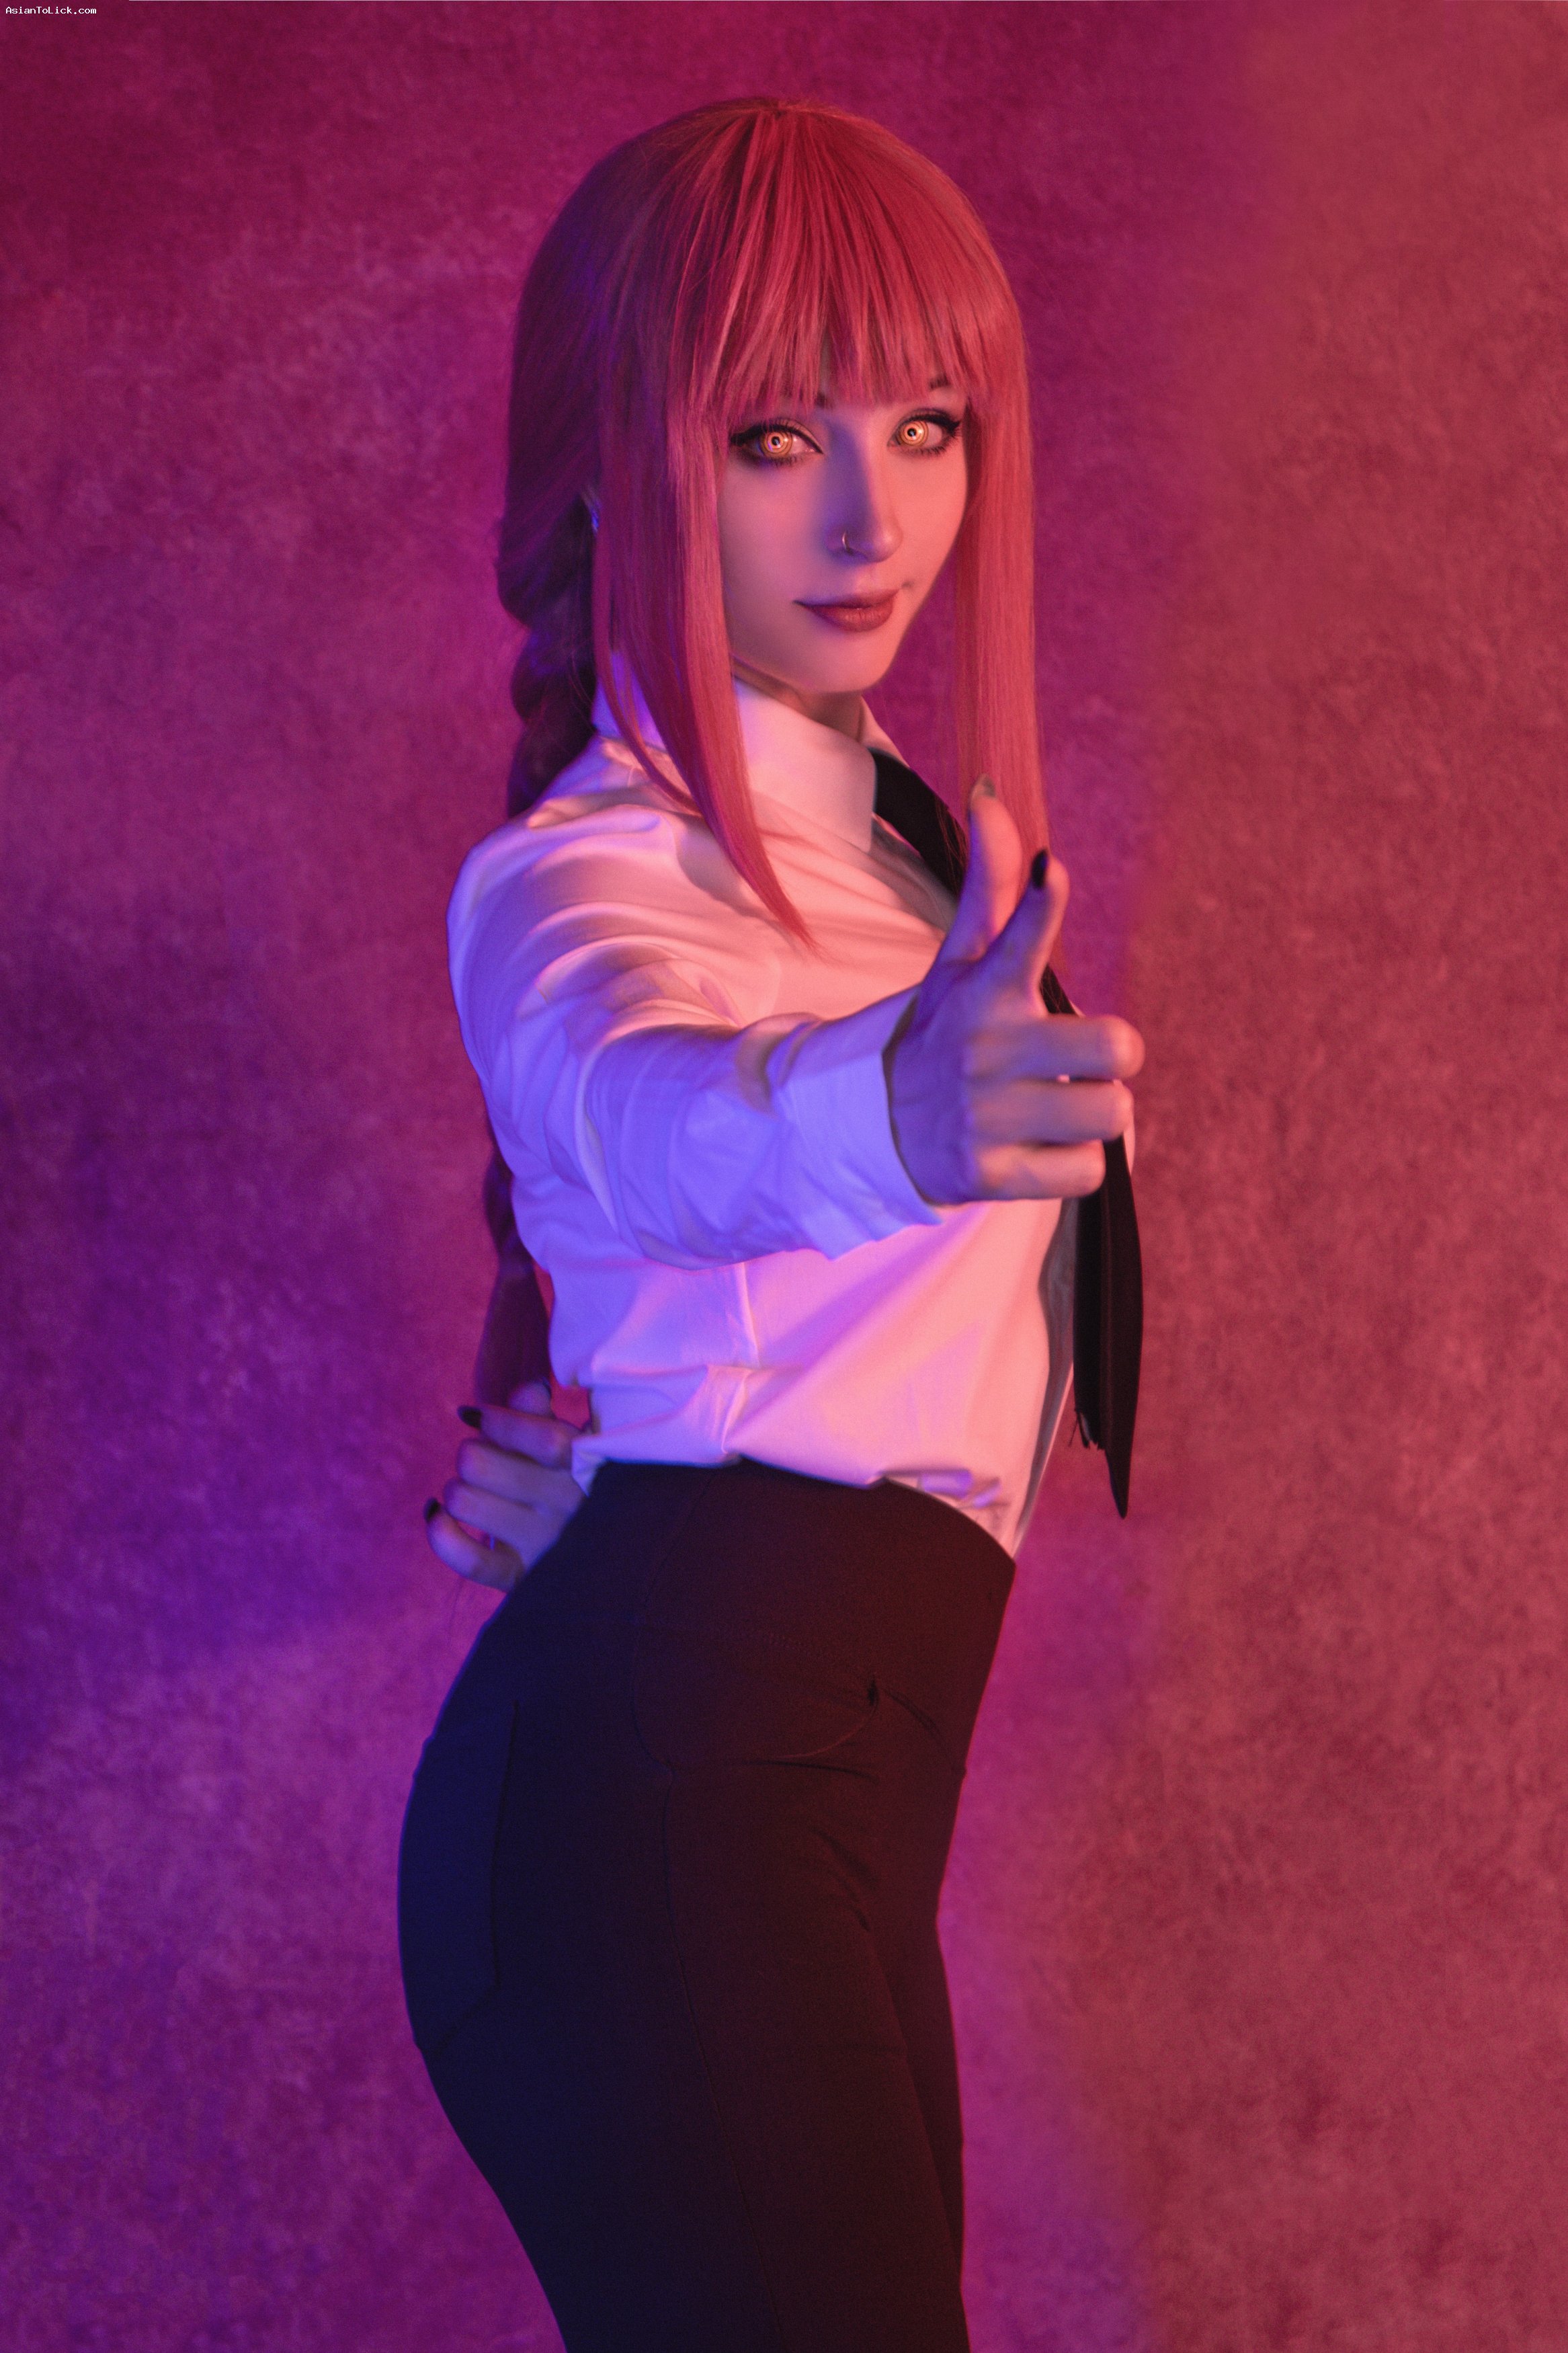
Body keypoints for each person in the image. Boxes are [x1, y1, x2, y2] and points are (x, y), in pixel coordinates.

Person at [397, 97, 1143, 2353]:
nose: (868, 515)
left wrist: (613, 1441)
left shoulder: (900, 845)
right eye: (770, 437)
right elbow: (639, 1105)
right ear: (616, 458)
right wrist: (887, 1110)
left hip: (806, 1786)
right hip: (675, 1801)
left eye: (925, 425)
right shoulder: (583, 870)